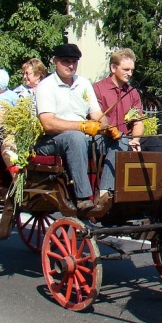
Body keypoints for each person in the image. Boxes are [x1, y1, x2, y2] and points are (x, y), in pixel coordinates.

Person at [34, 43, 121, 213]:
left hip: (80, 140)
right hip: (50, 141)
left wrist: (108, 127)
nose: (71, 65)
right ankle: (83, 197)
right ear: (55, 61)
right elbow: (48, 123)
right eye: (66, 61)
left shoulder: (84, 83)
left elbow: (97, 114)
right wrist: (81, 126)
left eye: (74, 61)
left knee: (120, 140)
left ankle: (105, 191)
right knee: (76, 137)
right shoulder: (46, 86)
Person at [92, 48, 162, 152]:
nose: (130, 74)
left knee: (156, 143)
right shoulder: (97, 89)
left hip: (127, 139)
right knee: (120, 142)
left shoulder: (133, 93)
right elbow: (95, 119)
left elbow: (137, 122)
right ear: (113, 68)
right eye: (126, 69)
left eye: (132, 70)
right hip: (104, 139)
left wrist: (135, 140)